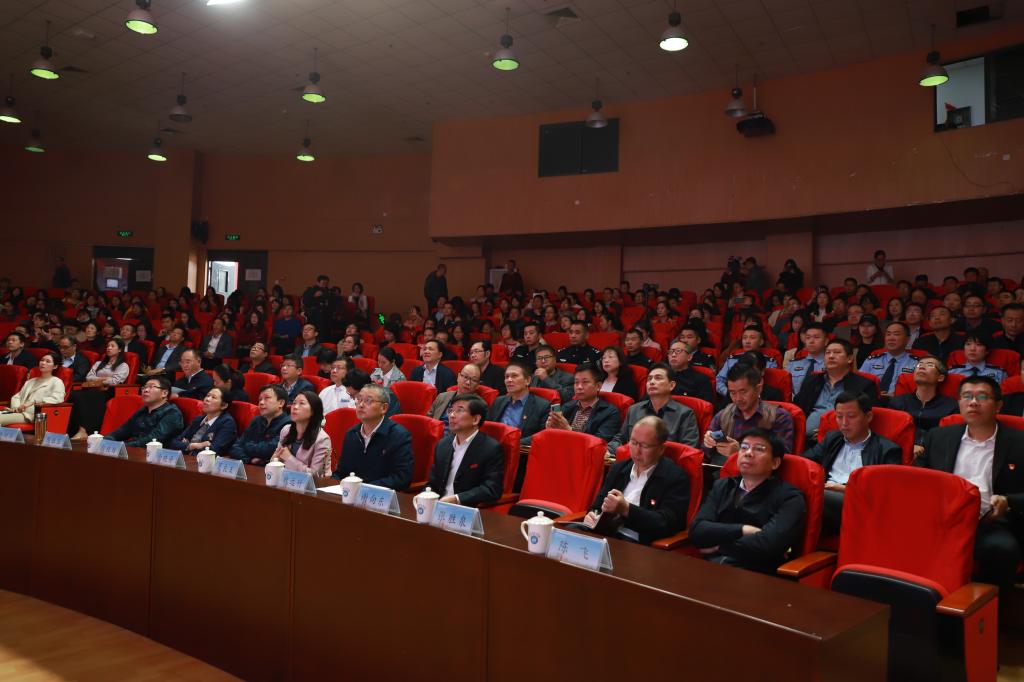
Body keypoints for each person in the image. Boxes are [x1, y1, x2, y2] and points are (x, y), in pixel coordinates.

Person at [915, 376, 1024, 599]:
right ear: (959, 403)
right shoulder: (939, 436)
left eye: (982, 396)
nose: (973, 402)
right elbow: (919, 478)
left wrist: (1009, 501)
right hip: (941, 518)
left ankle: (987, 609)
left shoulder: (1019, 442)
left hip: (990, 522)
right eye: (967, 396)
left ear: (998, 405)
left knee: (1003, 549)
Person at [690, 428, 807, 574]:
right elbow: (697, 530)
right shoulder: (723, 486)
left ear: (775, 463)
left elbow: (769, 544)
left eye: (759, 449)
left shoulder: (789, 497)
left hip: (757, 574)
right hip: (711, 568)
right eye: (744, 447)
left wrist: (719, 546)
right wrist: (744, 529)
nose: (748, 453)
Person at [802, 391, 902, 534]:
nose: (844, 423)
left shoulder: (887, 450)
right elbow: (804, 462)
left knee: (809, 498)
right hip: (826, 498)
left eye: (851, 416)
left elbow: (886, 494)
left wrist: (844, 489)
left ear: (868, 416)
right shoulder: (833, 439)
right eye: (839, 416)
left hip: (857, 503)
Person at [583, 416, 691, 545]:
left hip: (637, 543)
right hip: (605, 535)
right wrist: (591, 515)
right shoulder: (619, 468)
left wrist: (626, 509)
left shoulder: (675, 477)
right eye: (633, 443)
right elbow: (597, 506)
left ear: (661, 449)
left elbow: (666, 524)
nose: (637, 451)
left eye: (644, 446)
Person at [703, 364, 795, 463]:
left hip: (761, 472)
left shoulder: (779, 417)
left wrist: (740, 452)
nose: (738, 398)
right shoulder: (723, 414)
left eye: (743, 392)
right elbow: (704, 453)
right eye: (733, 393)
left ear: (758, 388)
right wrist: (708, 442)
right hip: (722, 470)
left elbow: (782, 459)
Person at [426, 394, 504, 506]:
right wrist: (425, 495)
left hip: (466, 508)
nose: (451, 415)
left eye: (459, 410)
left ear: (475, 419)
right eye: (451, 410)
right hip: (438, 506)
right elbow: (432, 483)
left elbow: (491, 489)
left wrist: (457, 499)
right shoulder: (443, 445)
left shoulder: (490, 448)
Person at [333, 383, 414, 490]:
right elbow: (341, 472)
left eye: (368, 401)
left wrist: (363, 488)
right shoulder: (352, 433)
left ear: (384, 408)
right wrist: (331, 484)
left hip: (379, 496)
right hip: (350, 493)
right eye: (359, 399)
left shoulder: (398, 435)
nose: (361, 405)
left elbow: (401, 478)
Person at [795, 339, 879, 440]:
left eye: (837, 352)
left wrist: (830, 433)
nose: (831, 356)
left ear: (849, 359)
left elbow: (865, 419)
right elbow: (797, 408)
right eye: (827, 353)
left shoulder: (864, 385)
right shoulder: (812, 381)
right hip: (805, 439)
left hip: (842, 440)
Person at [488, 361, 551, 489]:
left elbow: (542, 435)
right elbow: (488, 428)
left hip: (520, 458)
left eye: (514, 376)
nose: (509, 380)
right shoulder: (499, 401)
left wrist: (513, 443)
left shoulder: (542, 405)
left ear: (528, 380)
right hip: (493, 455)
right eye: (506, 377)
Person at [608, 364, 699, 452]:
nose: (651, 382)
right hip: (634, 459)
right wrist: (608, 449)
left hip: (666, 461)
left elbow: (688, 450)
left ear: (671, 385)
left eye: (658, 378)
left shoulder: (685, 414)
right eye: (649, 379)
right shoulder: (634, 410)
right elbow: (621, 438)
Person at [889, 355, 958, 456]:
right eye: (919, 365)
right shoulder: (898, 402)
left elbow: (949, 437)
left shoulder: (951, 406)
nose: (921, 367)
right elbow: (891, 432)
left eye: (930, 365)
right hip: (900, 451)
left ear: (940, 377)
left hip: (936, 453)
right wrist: (909, 446)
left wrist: (923, 446)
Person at [68, 338, 131, 439]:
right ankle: (73, 430)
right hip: (93, 389)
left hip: (109, 392)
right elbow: (88, 377)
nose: (109, 348)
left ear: (120, 349)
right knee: (74, 395)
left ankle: (84, 430)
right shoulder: (99, 363)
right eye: (108, 346)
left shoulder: (123, 366)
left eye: (112, 346)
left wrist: (98, 380)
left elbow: (115, 381)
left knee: (86, 397)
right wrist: (104, 379)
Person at [545, 363, 621, 442]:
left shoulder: (610, 412)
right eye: (576, 382)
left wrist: (569, 430)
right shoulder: (567, 406)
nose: (579, 387)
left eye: (585, 382)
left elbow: (600, 443)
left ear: (598, 386)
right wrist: (550, 428)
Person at [105, 376, 184, 447]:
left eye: (151, 387)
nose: (145, 390)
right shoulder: (142, 411)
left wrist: (122, 446)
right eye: (144, 387)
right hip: (133, 450)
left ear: (164, 393)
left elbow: (152, 440)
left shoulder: (172, 413)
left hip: (154, 454)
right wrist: (106, 440)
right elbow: (121, 432)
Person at [268, 390, 331, 476]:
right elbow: (276, 459)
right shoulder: (286, 430)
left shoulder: (322, 439)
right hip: (286, 479)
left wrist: (289, 458)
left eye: (301, 403)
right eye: (294, 403)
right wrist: (275, 460)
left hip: (312, 484)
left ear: (313, 411)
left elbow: (316, 475)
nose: (295, 407)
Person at [228, 383, 291, 465]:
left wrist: (247, 446)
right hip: (250, 465)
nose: (261, 402)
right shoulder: (257, 420)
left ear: (281, 403)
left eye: (267, 398)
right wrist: (249, 460)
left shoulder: (288, 424)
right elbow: (235, 447)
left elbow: (270, 450)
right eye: (260, 399)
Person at [0, 352, 64, 427]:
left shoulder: (56, 382)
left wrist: (34, 402)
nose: (43, 363)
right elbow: (17, 397)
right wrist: (16, 407)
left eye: (48, 361)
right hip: (18, 412)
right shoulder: (31, 381)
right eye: (42, 360)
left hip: (31, 415)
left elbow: (58, 398)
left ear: (55, 366)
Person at [167, 386, 237, 455]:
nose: (207, 399)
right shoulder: (198, 419)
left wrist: (186, 447)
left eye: (213, 397)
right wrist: (193, 446)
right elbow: (174, 443)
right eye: (208, 395)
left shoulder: (227, 423)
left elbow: (214, 451)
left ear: (224, 406)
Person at [858, 321, 917, 397]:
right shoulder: (871, 361)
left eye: (896, 334)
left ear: (907, 339)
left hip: (901, 402)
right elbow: (858, 385)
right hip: (872, 401)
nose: (891, 338)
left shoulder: (916, 363)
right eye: (888, 334)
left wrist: (896, 396)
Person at [715, 326, 777, 396]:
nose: (747, 341)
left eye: (752, 338)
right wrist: (730, 394)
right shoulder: (732, 360)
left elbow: (770, 386)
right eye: (744, 338)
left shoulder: (769, 362)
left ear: (761, 342)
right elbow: (719, 380)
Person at [427, 362, 482, 432]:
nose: (468, 382)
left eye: (474, 380)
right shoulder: (442, 397)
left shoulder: (478, 405)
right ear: (458, 377)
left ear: (478, 385)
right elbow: (428, 420)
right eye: (465, 377)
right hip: (433, 434)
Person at [666, 340, 716, 405]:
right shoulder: (662, 377)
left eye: (678, 351)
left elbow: (704, 407)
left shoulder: (701, 380)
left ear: (689, 357)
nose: (673, 355)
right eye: (670, 352)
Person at [786, 323, 828, 395]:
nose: (811, 341)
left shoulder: (831, 365)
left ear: (826, 341)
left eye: (816, 337)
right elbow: (786, 390)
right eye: (808, 338)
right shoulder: (793, 364)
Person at [301, 275, 332, 339]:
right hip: (313, 315)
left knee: (325, 331)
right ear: (317, 282)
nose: (325, 285)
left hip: (325, 315)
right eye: (323, 283)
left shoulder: (328, 291)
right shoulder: (310, 290)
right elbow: (305, 301)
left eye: (326, 283)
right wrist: (314, 296)